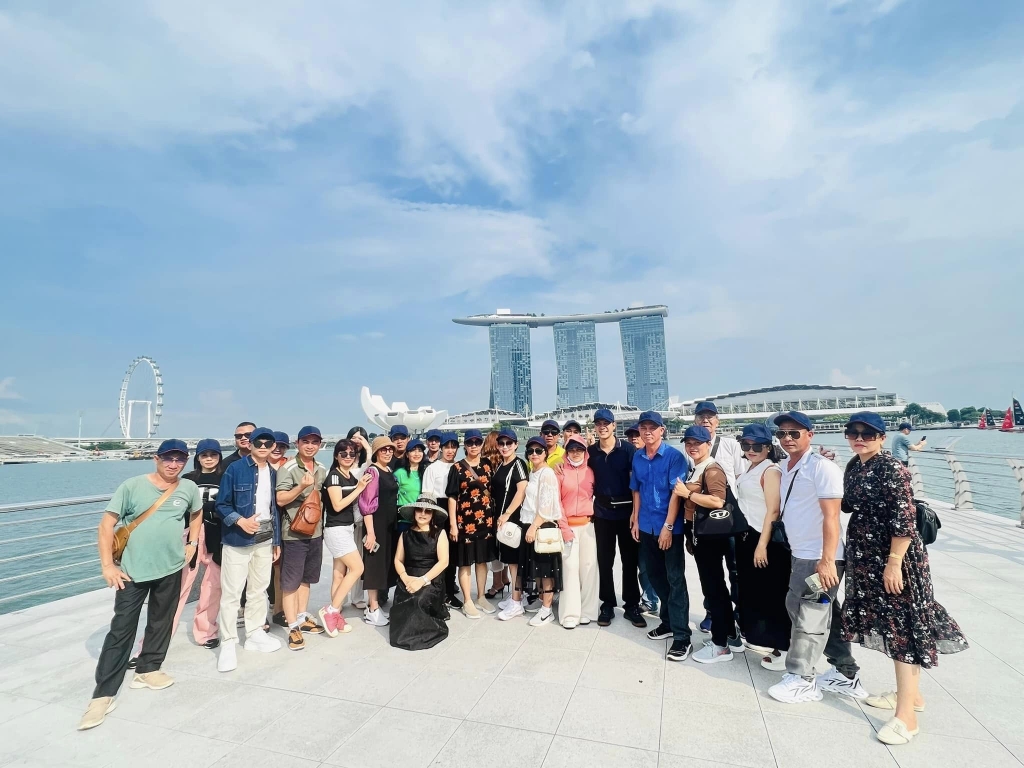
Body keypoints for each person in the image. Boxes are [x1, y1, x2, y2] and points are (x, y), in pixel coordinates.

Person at [840, 412, 968, 745]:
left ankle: (906, 718)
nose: (859, 438)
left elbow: (904, 520)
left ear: (882, 438)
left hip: (895, 558)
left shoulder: (892, 468)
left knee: (902, 628)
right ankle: (912, 696)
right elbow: (848, 506)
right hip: (866, 557)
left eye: (868, 434)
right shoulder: (854, 466)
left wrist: (894, 563)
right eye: (853, 432)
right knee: (892, 624)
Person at [78, 440, 204, 731]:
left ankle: (148, 669)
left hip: (171, 567)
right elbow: (106, 525)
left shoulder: (188, 488)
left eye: (180, 459)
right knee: (122, 629)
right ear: (156, 458)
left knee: (161, 621)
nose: (174, 464)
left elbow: (196, 513)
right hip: (133, 571)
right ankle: (103, 694)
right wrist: (107, 566)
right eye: (168, 458)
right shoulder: (132, 486)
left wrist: (193, 542)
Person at [767, 411, 865, 704]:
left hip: (821, 558)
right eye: (782, 433)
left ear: (810, 435)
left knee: (808, 614)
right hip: (801, 554)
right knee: (817, 611)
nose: (787, 438)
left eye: (794, 433)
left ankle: (802, 679)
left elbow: (832, 517)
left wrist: (826, 560)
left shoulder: (822, 467)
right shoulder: (786, 466)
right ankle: (846, 673)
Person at [215, 427, 283, 673]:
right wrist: (240, 521)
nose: (263, 446)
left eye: (268, 443)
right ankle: (228, 642)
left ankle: (254, 633)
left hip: (265, 537)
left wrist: (276, 541)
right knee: (232, 593)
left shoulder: (273, 473)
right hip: (238, 538)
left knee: (259, 588)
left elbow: (274, 510)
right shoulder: (235, 469)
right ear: (250, 444)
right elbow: (221, 504)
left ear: (273, 446)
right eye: (258, 442)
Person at [629, 411, 692, 661]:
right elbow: (637, 489)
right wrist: (635, 519)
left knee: (675, 579)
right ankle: (667, 622)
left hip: (669, 529)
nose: (647, 432)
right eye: (643, 428)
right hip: (646, 525)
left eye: (652, 428)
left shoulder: (675, 457)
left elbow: (677, 493)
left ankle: (682, 636)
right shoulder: (638, 456)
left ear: (661, 430)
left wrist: (668, 527)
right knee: (655, 576)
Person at [674, 425, 736, 663]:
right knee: (716, 587)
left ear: (708, 444)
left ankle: (720, 645)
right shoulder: (697, 467)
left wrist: (687, 494)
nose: (692, 447)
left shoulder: (712, 469)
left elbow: (717, 501)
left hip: (710, 538)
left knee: (714, 589)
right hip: (700, 536)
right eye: (688, 443)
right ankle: (731, 636)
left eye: (697, 443)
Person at [732, 424, 790, 671]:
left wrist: (762, 545)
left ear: (768, 447)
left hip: (763, 539)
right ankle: (766, 640)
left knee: (773, 594)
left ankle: (784, 649)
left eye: (757, 445)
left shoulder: (770, 470)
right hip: (747, 536)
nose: (751, 449)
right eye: (746, 445)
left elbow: (773, 511)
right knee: (755, 592)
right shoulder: (750, 468)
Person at [692, 402, 744, 642]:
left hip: (730, 518)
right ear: (695, 420)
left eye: (710, 417)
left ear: (717, 421)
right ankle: (713, 612)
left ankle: (739, 615)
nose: (706, 420)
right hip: (705, 518)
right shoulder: (691, 448)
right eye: (701, 416)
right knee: (710, 572)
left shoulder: (731, 445)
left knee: (735, 570)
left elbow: (741, 476)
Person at [587, 408, 644, 628]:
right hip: (602, 512)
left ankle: (632, 605)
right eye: (598, 424)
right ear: (595, 427)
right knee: (605, 560)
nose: (602, 427)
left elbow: (635, 485)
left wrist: (635, 515)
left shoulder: (628, 450)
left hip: (626, 512)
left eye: (606, 424)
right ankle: (608, 603)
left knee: (630, 561)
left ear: (613, 426)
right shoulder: (591, 452)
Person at [275, 426, 327, 650]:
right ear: (297, 444)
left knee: (306, 578)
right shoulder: (287, 468)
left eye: (314, 442)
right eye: (306, 441)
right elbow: (280, 499)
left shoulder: (321, 468)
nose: (310, 446)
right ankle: (292, 627)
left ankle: (302, 617)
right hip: (294, 534)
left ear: (320, 445)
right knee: (290, 582)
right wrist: (301, 487)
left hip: (315, 532)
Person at [318, 439, 372, 637]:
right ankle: (331, 610)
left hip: (346, 528)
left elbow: (368, 465)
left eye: (351, 454)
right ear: (336, 456)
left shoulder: (349, 475)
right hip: (336, 530)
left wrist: (367, 449)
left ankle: (336, 615)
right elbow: (338, 505)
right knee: (358, 568)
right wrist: (359, 488)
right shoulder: (334, 476)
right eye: (343, 454)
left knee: (339, 574)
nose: (348, 457)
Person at [445, 428, 496, 618]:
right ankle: (467, 600)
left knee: (482, 560)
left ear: (482, 444)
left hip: (485, 520)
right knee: (465, 562)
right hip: (464, 522)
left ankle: (481, 596)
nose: (474, 446)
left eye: (477, 442)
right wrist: (453, 524)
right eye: (469, 443)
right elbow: (452, 497)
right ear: (464, 445)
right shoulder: (457, 468)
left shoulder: (488, 464)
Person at [389, 498, 451, 650]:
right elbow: (398, 560)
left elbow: (443, 562)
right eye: (419, 510)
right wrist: (405, 577)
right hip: (408, 578)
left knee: (418, 600)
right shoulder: (405, 534)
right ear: (414, 512)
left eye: (427, 511)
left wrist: (422, 580)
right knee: (404, 600)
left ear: (433, 514)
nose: (423, 514)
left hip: (431, 579)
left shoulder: (440, 533)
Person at [517, 436, 566, 626]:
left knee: (546, 570)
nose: (534, 454)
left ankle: (547, 609)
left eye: (538, 451)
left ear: (546, 453)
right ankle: (541, 600)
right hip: (530, 523)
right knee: (537, 568)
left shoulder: (547, 473)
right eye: (531, 451)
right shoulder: (533, 472)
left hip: (541, 525)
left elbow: (546, 506)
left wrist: (533, 527)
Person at [558, 434, 600, 629]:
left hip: (588, 526)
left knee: (589, 567)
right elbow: (556, 503)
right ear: (566, 452)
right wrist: (564, 528)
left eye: (579, 449)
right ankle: (570, 613)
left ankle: (588, 610)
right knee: (570, 568)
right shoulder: (559, 472)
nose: (575, 453)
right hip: (568, 527)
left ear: (585, 452)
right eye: (571, 449)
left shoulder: (591, 472)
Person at [360, 436, 401, 626]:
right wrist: (370, 532)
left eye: (390, 449)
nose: (387, 452)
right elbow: (366, 504)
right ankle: (373, 608)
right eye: (383, 449)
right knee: (374, 565)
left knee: (384, 564)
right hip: (376, 525)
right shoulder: (373, 471)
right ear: (376, 452)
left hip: (388, 525)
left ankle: (376, 606)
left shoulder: (389, 470)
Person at [422, 432, 463, 609]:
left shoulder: (460, 466)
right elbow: (427, 494)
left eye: (454, 447)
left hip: (456, 510)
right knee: (436, 553)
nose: (450, 450)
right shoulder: (432, 469)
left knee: (452, 554)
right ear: (441, 448)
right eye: (447, 447)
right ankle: (436, 591)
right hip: (438, 509)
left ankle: (449, 591)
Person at [492, 428, 530, 617]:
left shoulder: (518, 464)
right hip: (502, 518)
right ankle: (517, 595)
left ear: (516, 445)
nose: (505, 446)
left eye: (509, 443)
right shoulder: (501, 464)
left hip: (512, 520)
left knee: (514, 562)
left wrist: (507, 513)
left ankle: (516, 602)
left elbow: (522, 490)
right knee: (508, 559)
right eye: (501, 443)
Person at [345, 426, 373, 610]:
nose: (357, 441)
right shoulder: (343, 460)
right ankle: (339, 597)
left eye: (360, 438)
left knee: (359, 558)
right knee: (342, 561)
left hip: (360, 516)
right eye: (354, 437)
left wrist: (367, 447)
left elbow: (371, 465)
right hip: (342, 515)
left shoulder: (365, 464)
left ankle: (357, 597)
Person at [481, 430, 510, 596]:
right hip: (505, 508)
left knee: (494, 548)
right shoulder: (504, 463)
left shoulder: (486, 464)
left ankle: (497, 582)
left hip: (490, 510)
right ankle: (505, 578)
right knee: (504, 543)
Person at [395, 439, 428, 507]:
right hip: (404, 511)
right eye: (413, 450)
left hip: (422, 512)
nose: (417, 454)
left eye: (420, 450)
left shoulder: (427, 472)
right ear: (407, 454)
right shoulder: (399, 473)